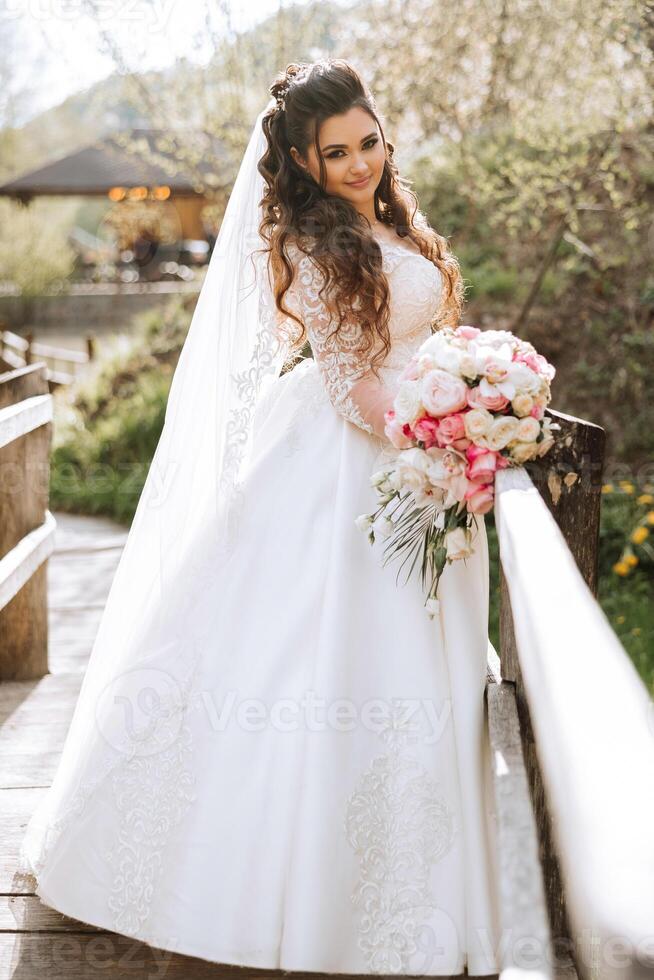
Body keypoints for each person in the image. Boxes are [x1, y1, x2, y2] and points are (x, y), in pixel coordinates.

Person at [19, 59, 501, 976]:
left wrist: (475, 387)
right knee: (308, 660)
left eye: (370, 142)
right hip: (344, 465)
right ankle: (286, 881)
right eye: (337, 153)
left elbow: (414, 342)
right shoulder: (311, 249)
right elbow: (349, 384)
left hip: (413, 456)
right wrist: (439, 432)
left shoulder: (391, 221)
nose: (361, 162)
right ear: (302, 163)